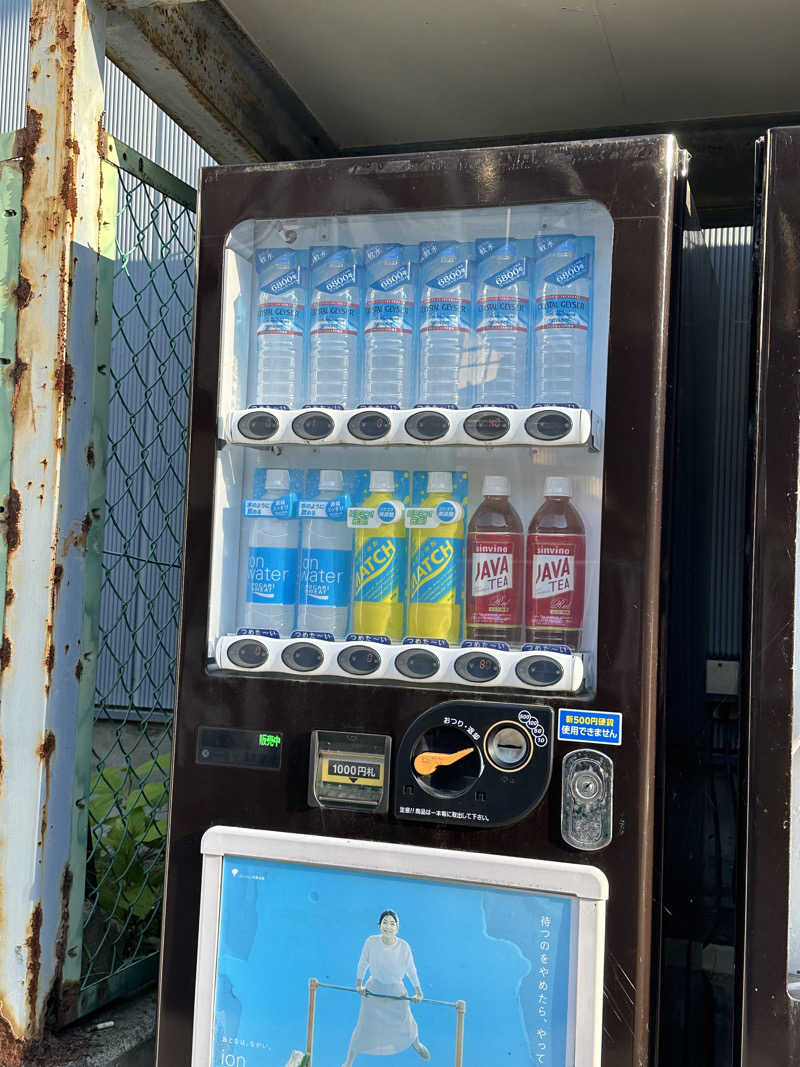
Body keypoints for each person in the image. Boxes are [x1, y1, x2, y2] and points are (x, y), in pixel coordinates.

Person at [342, 909, 430, 1066]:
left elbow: (411, 971)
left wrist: (418, 992)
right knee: (362, 1027)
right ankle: (348, 1062)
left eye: (392, 924)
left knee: (407, 1021)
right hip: (373, 992)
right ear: (379, 925)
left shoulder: (404, 947)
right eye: (385, 923)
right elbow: (363, 963)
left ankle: (416, 1043)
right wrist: (358, 984)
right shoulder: (371, 942)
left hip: (396, 992)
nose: (388, 927)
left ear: (397, 928)